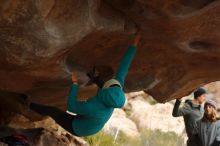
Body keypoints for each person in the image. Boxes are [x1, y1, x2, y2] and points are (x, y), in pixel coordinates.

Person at [29, 33, 141, 137]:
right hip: (91, 119)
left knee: (53, 111)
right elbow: (125, 65)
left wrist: (75, 84)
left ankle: (28, 104)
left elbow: (71, 106)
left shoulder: (94, 107)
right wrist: (135, 42)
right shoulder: (117, 86)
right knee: (99, 85)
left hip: (80, 128)